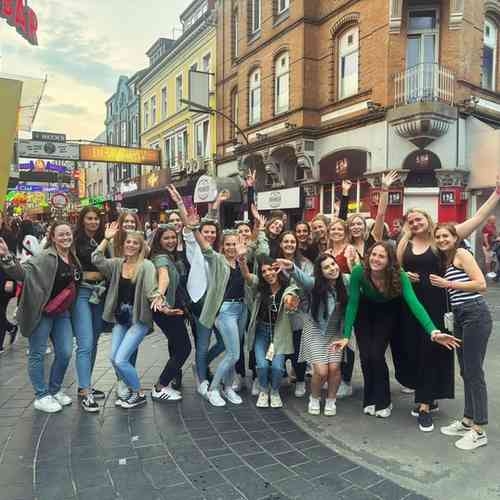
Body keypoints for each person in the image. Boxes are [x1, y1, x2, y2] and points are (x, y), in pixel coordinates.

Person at [396, 180, 500, 431]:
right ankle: (426, 396)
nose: (415, 223)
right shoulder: (404, 242)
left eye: (419, 219)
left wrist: (496, 194)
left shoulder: (442, 239)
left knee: (432, 351)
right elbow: (395, 267)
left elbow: (477, 218)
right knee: (413, 350)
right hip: (411, 304)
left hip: (439, 302)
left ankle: (425, 401)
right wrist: (402, 274)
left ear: (428, 220)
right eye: (411, 220)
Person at [331, 242, 460, 419]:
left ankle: (384, 401)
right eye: (373, 254)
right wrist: (345, 335)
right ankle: (370, 399)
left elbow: (414, 303)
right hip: (365, 311)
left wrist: (433, 331)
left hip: (388, 310)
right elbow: (353, 303)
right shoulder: (359, 272)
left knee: (376, 354)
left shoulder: (399, 275)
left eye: (381, 256)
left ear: (389, 260)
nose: (375, 259)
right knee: (366, 356)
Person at [0, 222, 82, 413]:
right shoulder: (45, 257)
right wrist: (6, 257)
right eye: (60, 235)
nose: (65, 238)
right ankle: (41, 395)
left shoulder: (72, 256)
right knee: (37, 353)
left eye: (68, 234)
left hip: (61, 312)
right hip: (42, 311)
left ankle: (54, 390)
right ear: (52, 237)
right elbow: (22, 273)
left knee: (65, 352)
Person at [430, 224, 491, 450]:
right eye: (438, 237)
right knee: (466, 371)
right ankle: (467, 420)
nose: (442, 239)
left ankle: (479, 429)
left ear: (455, 237)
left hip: (474, 313)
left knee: (474, 371)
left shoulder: (462, 253)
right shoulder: (445, 259)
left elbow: (481, 284)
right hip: (459, 316)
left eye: (446, 235)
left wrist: (449, 284)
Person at [92, 223, 162, 409]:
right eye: (128, 242)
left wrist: (158, 298)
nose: (131, 245)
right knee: (114, 359)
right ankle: (131, 388)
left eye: (135, 243)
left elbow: (150, 289)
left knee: (121, 360)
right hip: (121, 320)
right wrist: (106, 239)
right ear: (123, 245)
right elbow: (96, 258)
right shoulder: (116, 264)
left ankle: (138, 393)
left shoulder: (146, 265)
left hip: (138, 320)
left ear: (141, 247)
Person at [166, 186, 224, 397]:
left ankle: (201, 364)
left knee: (225, 342)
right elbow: (191, 228)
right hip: (200, 303)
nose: (209, 234)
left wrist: (216, 207)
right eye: (205, 231)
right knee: (202, 344)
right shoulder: (195, 248)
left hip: (219, 304)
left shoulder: (221, 252)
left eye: (212, 232)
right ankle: (201, 379)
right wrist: (180, 204)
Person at [277, 254, 348, 417]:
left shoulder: (346, 281)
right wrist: (291, 268)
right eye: (327, 267)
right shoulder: (315, 284)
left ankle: (331, 400)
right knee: (322, 371)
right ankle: (314, 398)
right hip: (316, 329)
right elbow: (303, 280)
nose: (332, 269)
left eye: (333, 264)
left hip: (336, 331)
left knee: (335, 368)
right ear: (320, 272)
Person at [240, 252, 299, 408]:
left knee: (278, 367)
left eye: (270, 269)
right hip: (261, 331)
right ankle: (264, 390)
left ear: (277, 269)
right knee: (262, 365)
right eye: (264, 271)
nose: (267, 274)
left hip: (279, 333)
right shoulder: (260, 288)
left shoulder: (288, 287)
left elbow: (291, 294)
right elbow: (247, 277)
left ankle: (274, 391)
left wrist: (289, 301)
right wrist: (242, 261)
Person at [149, 224, 191, 402]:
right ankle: (160, 387)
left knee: (176, 346)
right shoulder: (161, 258)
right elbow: (164, 277)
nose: (171, 241)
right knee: (184, 348)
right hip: (166, 310)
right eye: (166, 238)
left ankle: (169, 380)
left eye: (173, 237)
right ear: (159, 240)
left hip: (174, 308)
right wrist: (159, 293)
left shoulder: (172, 256)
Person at [72, 206, 107, 412]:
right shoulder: (76, 240)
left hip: (100, 293)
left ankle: (85, 386)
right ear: (83, 220)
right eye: (89, 218)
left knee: (93, 340)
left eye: (96, 218)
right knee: (85, 343)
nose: (93, 222)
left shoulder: (105, 236)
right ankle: (85, 391)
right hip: (83, 294)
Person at [325, 218, 359, 398]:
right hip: (331, 301)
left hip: (348, 299)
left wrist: (350, 262)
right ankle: (333, 376)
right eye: (333, 229)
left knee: (348, 339)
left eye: (339, 229)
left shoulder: (350, 250)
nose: (336, 232)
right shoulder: (327, 251)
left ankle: (346, 380)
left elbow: (358, 275)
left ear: (345, 232)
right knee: (334, 337)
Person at [277, 231, 313, 398]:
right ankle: (276, 375)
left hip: (300, 314)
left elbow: (309, 284)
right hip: (279, 315)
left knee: (299, 351)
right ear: (280, 244)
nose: (289, 244)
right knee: (279, 350)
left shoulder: (305, 263)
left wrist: (293, 269)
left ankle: (299, 380)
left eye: (293, 241)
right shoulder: (273, 262)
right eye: (286, 241)